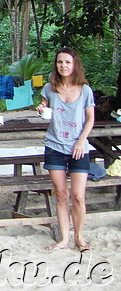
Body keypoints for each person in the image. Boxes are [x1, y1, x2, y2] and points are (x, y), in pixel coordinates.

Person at [37, 47, 95, 251]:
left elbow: (90, 119)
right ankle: (64, 239)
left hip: (79, 148)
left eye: (68, 62)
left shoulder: (85, 90)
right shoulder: (49, 87)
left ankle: (79, 237)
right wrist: (41, 109)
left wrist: (81, 141)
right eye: (60, 62)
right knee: (61, 194)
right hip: (55, 146)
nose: (63, 66)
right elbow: (44, 108)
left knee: (78, 196)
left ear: (74, 64)